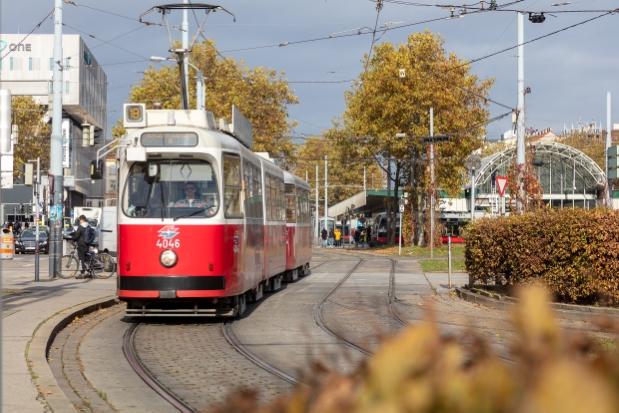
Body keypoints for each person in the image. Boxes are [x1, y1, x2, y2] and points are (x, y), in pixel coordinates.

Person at [70, 215, 91, 279]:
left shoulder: (80, 226)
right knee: (86, 258)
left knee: (81, 259)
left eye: (80, 220)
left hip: (81, 244)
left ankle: (82, 274)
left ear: (82, 219)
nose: (79, 221)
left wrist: (72, 238)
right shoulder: (88, 226)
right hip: (87, 244)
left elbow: (77, 236)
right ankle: (88, 272)